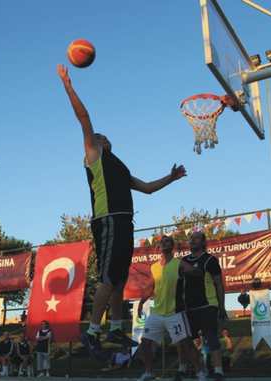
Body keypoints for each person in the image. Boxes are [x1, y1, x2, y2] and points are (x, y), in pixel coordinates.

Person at [57, 64, 187, 359]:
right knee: (107, 278)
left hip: (125, 222)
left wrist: (172, 177)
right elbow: (84, 118)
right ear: (96, 143)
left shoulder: (119, 166)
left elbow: (148, 188)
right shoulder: (95, 156)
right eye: (100, 137)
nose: (104, 138)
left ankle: (115, 327)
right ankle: (91, 332)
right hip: (108, 221)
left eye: (104, 137)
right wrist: (67, 84)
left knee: (117, 279)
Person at [136, 236, 206, 381]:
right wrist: (142, 302)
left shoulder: (179, 264)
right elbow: (150, 287)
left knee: (186, 343)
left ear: (172, 247)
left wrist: (197, 269)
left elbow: (196, 272)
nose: (165, 243)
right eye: (162, 242)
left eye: (168, 241)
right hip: (157, 313)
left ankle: (200, 372)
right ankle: (149, 372)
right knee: (145, 343)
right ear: (159, 248)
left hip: (175, 313)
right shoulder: (154, 267)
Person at [180, 232, 227, 381]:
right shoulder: (183, 261)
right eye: (191, 238)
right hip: (189, 307)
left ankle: (218, 371)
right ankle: (198, 368)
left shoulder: (210, 260)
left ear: (203, 242)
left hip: (208, 305)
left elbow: (219, 284)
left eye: (196, 238)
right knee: (187, 340)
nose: (192, 240)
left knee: (211, 337)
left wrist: (222, 306)